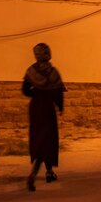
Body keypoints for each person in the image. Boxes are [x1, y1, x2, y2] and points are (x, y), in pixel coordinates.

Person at [22, 42, 66, 192]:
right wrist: (60, 107)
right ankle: (35, 174)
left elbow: (25, 90)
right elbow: (58, 93)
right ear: (48, 53)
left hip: (35, 108)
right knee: (47, 139)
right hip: (47, 109)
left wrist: (36, 92)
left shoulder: (31, 71)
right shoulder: (53, 72)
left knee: (38, 138)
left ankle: (49, 171)